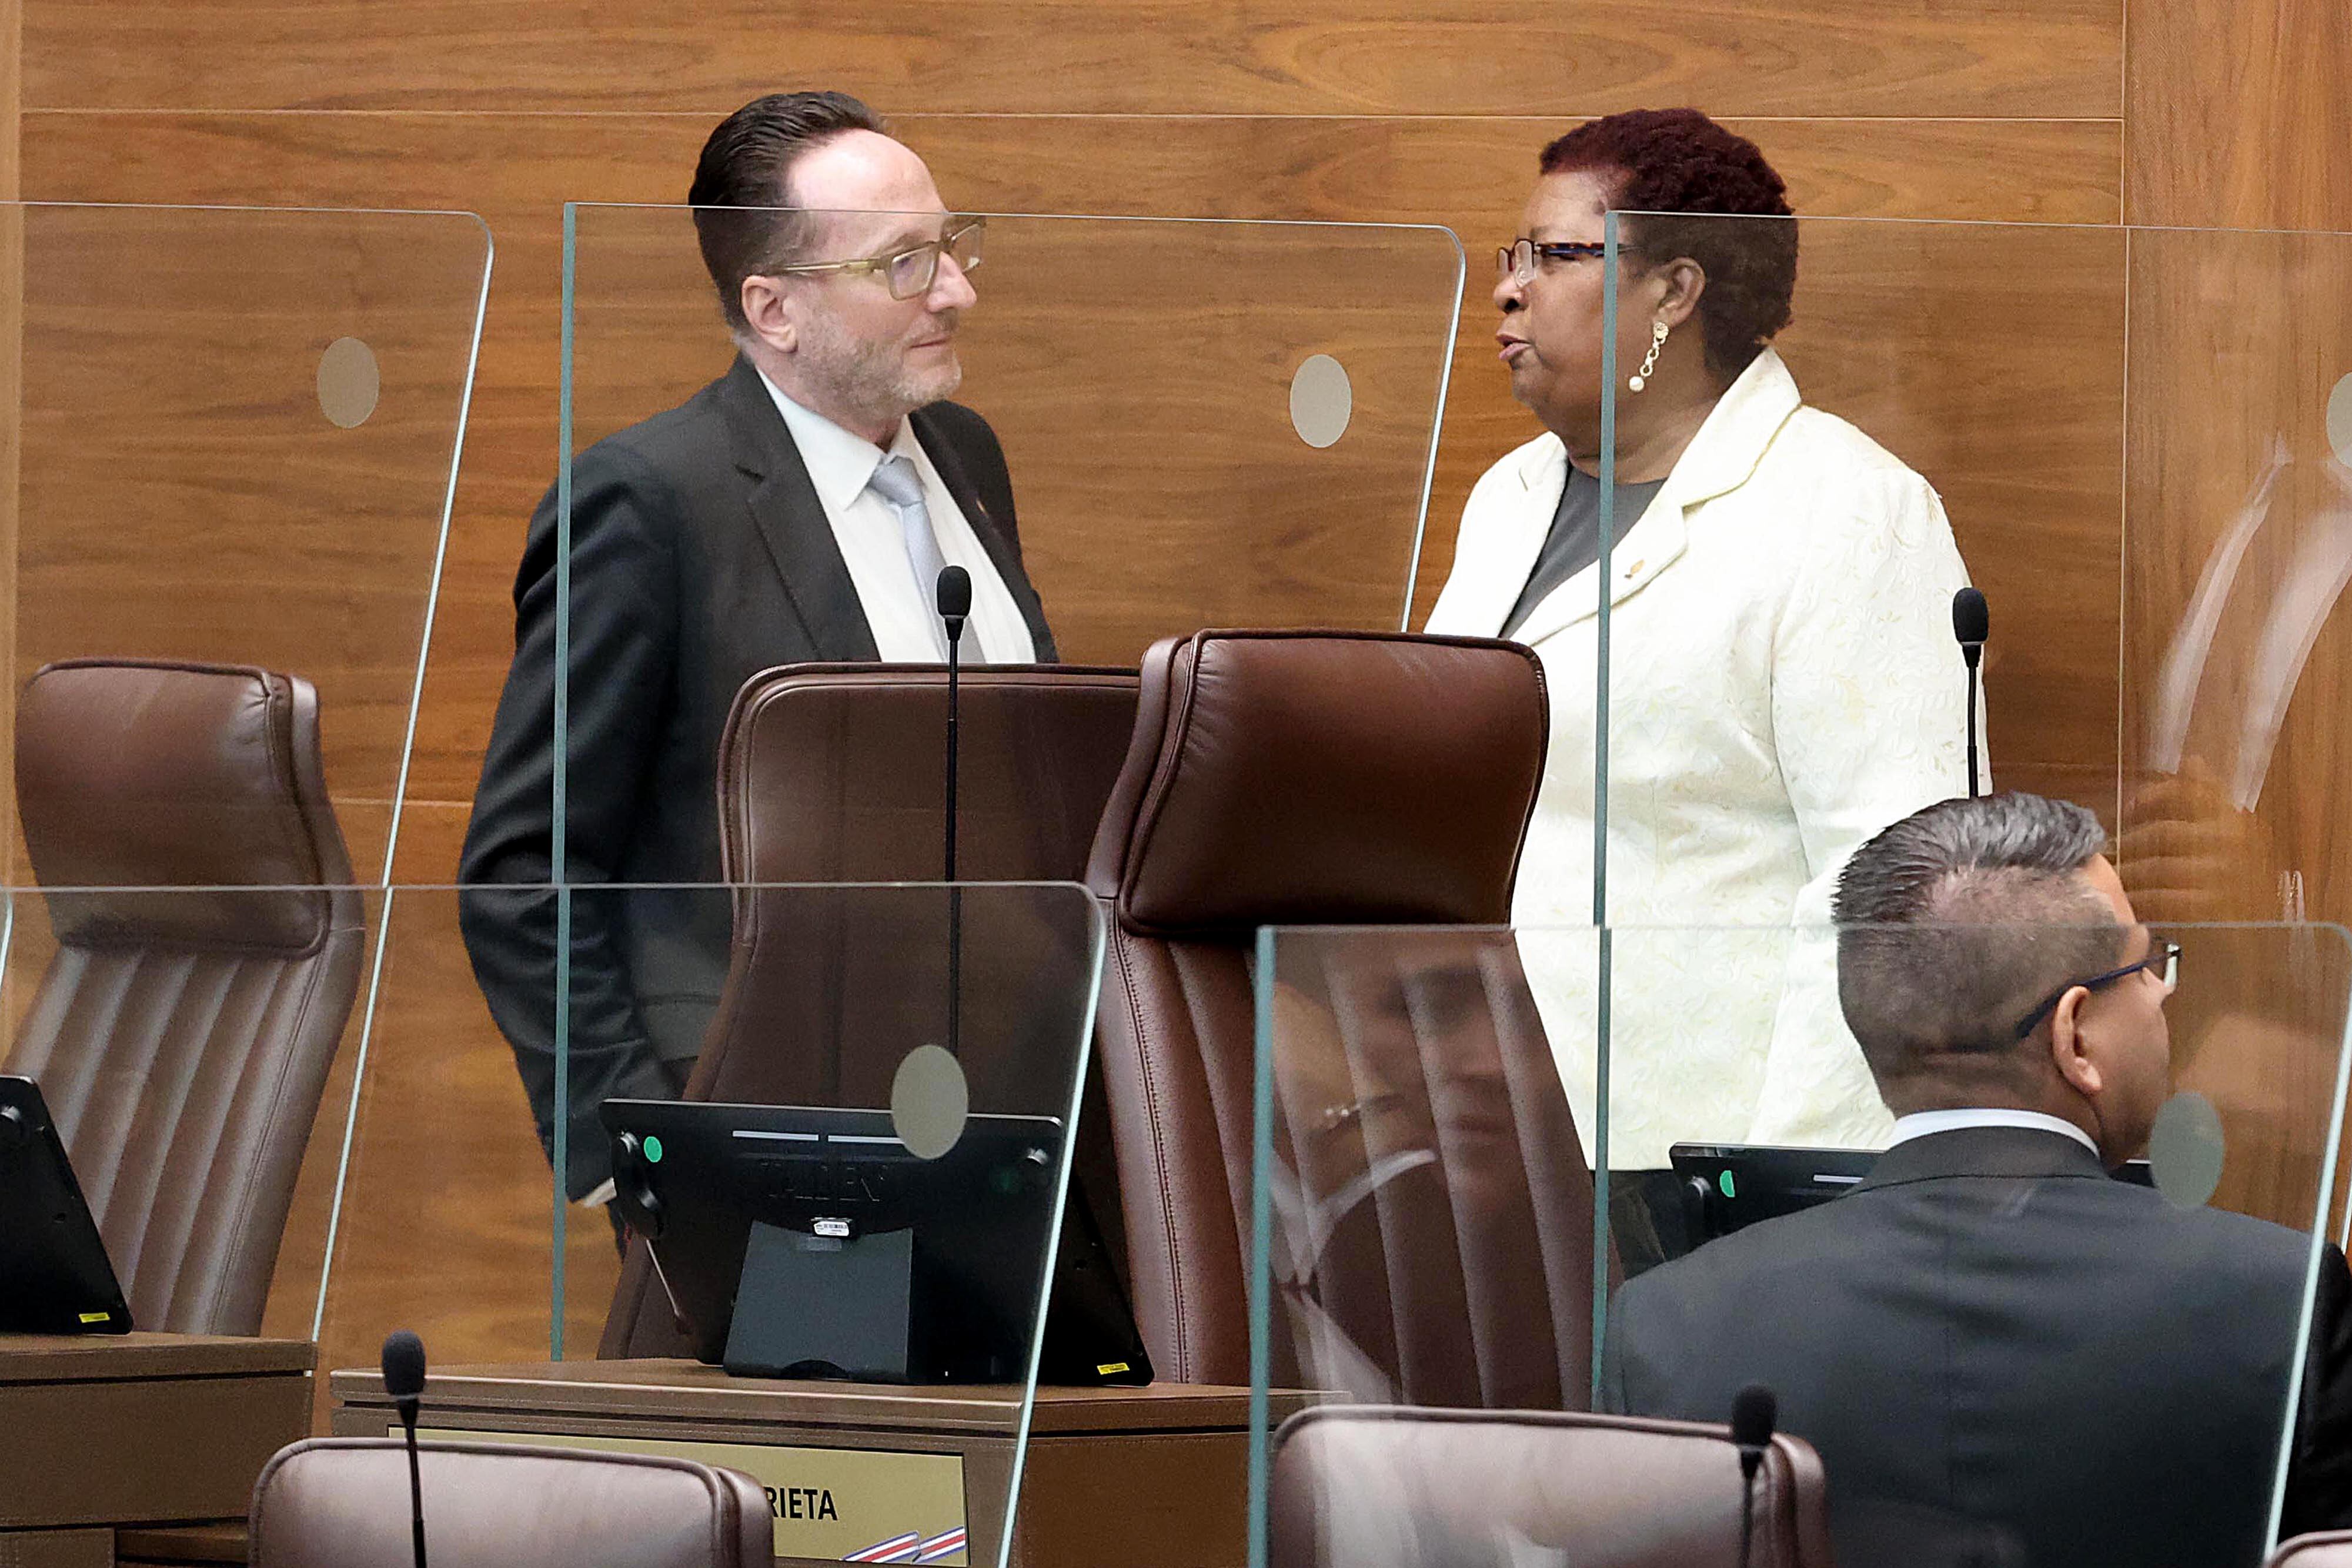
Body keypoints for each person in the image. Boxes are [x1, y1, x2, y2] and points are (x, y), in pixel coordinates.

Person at [459, 91, 1056, 1201]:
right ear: (774, 308)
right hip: (762, 1119)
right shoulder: (650, 501)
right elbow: (525, 866)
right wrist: (642, 1153)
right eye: (905, 264)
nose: (957, 290)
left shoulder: (966, 453)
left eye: (952, 245)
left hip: (994, 1101)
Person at [1423, 108, 1973, 1263]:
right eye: (1511, 257)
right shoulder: (1507, 498)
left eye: (1554, 255)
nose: (1508, 290)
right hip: (1487, 1132)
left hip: (1694, 1173)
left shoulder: (1847, 511)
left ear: (1674, 291)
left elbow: (1891, 886)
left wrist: (1779, 1204)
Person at [1601, 791, 2352, 1567]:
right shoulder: (2283, 1300)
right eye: (2146, 966)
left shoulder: (1662, 1327)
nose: (2162, 992)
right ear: (2075, 1037)